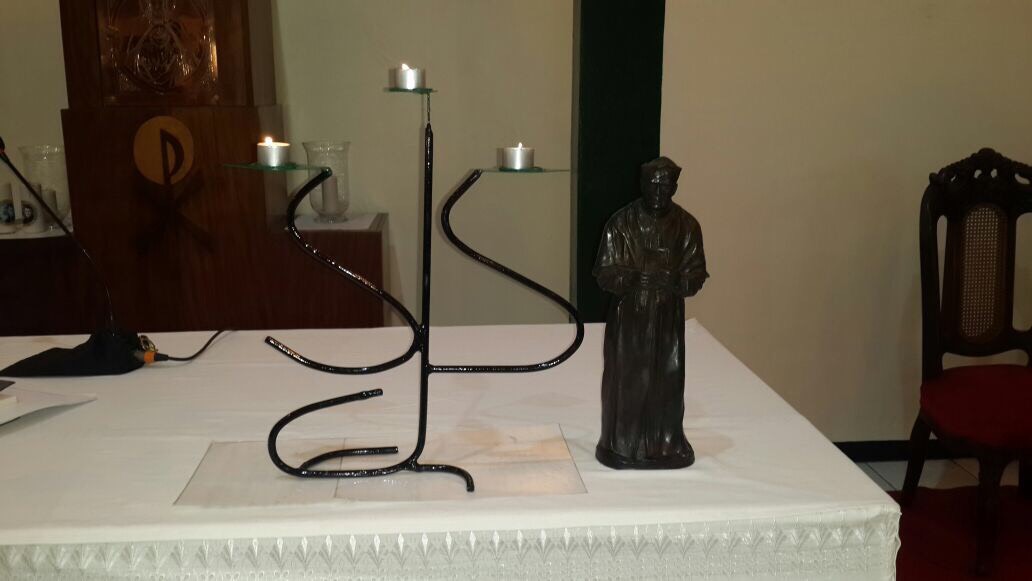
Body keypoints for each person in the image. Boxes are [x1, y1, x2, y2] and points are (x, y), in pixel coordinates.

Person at [593, 156, 708, 469]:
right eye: (653, 185)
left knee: (667, 380)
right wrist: (632, 278)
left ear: (675, 187)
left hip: (667, 318)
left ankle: (665, 444)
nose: (658, 191)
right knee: (626, 380)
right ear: (642, 184)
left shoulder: (687, 226)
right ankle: (622, 444)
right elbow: (605, 272)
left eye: (665, 185)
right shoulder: (621, 223)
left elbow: (696, 274)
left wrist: (675, 280)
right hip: (630, 319)